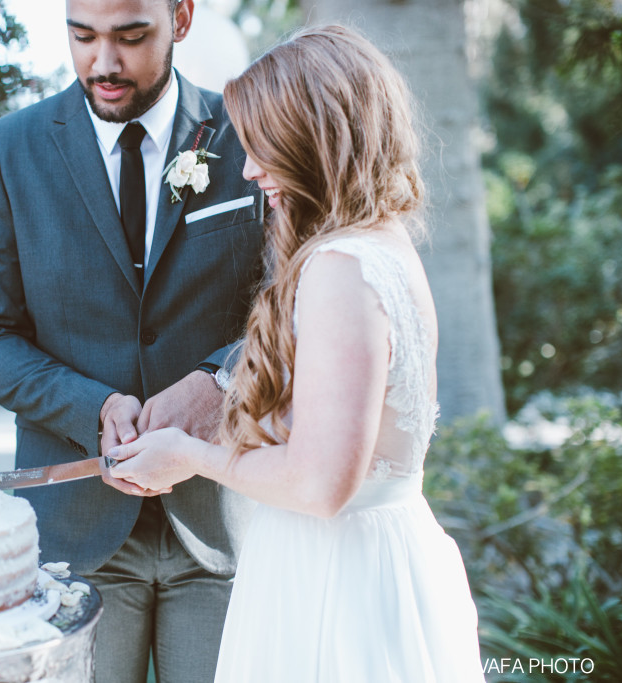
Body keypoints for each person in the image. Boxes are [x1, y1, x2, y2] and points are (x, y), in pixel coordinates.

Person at [109, 25, 486, 682]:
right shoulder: (386, 245)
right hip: (372, 558)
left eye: (265, 149)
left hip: (335, 583)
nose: (251, 170)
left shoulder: (340, 268)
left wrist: (190, 455)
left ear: (317, 139)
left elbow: (319, 483)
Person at [0, 0, 265, 680]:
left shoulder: (250, 136)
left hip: (224, 519)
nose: (105, 63)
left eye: (131, 37)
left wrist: (218, 382)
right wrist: (89, 405)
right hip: (76, 527)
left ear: (181, 18)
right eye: (82, 36)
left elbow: (290, 304)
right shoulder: (8, 149)